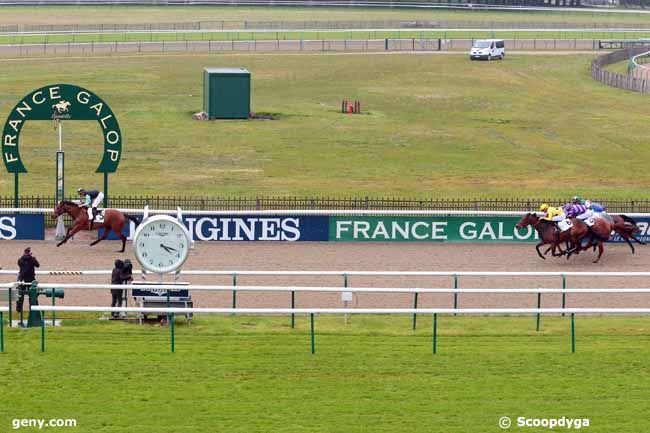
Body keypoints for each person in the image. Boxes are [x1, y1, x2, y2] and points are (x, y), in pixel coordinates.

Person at [16, 247, 39, 314]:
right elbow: (37, 265)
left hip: (22, 279)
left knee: (20, 296)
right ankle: (33, 309)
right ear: (29, 253)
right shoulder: (32, 259)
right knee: (33, 295)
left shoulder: (20, 260)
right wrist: (33, 258)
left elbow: (21, 265)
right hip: (31, 280)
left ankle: (19, 309)